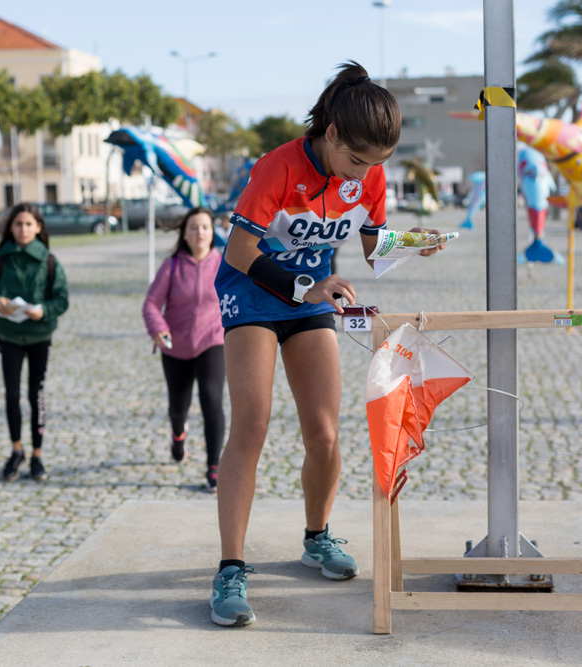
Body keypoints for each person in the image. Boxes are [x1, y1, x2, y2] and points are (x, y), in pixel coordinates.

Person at [209, 61, 445, 627]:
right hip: (254, 296)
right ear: (332, 133)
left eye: (378, 164)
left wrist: (416, 242)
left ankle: (317, 537)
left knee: (325, 432)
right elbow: (238, 250)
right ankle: (230, 568)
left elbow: (373, 249)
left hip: (312, 298)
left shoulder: (370, 174)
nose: (365, 173)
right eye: (358, 161)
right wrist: (303, 286)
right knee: (252, 425)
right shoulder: (278, 166)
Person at [0, 203, 69, 483]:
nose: (23, 229)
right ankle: (16, 451)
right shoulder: (0, 259)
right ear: (10, 227)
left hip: (40, 337)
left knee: (36, 395)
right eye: (18, 224)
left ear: (38, 227)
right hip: (10, 337)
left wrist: (44, 310)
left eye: (28, 224)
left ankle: (37, 455)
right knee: (12, 395)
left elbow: (62, 300)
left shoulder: (49, 261)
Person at [142, 207, 226, 491]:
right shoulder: (172, 266)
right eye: (193, 227)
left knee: (212, 399)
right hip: (175, 346)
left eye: (205, 227)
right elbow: (151, 304)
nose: (199, 232)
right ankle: (178, 436)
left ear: (213, 233)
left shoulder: (224, 265)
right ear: (185, 234)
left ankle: (214, 466)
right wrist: (158, 328)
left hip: (212, 342)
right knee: (178, 407)